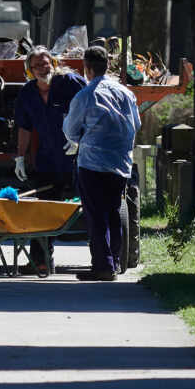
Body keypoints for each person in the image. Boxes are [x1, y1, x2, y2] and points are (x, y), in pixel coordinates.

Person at [62, 44, 141, 281]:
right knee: (114, 211)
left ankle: (102, 265)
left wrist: (84, 140)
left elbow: (71, 131)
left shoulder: (85, 95)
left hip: (92, 163)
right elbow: (135, 124)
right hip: (120, 162)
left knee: (96, 214)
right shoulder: (126, 93)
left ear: (86, 68)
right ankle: (114, 261)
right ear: (108, 65)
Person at [12, 47, 85, 272]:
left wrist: (81, 140)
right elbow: (24, 127)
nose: (44, 68)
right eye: (38, 66)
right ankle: (40, 261)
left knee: (92, 206)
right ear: (29, 71)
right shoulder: (28, 94)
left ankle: (105, 259)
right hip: (48, 160)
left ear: (53, 63)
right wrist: (20, 158)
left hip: (78, 160)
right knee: (43, 210)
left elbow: (93, 108)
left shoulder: (71, 83)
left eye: (47, 63)